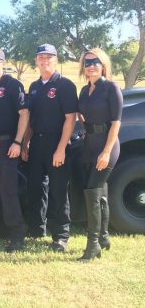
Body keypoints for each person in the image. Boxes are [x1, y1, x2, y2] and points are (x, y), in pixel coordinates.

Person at [22, 43, 78, 252]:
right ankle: (37, 229)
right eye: (41, 57)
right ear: (36, 61)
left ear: (56, 59)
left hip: (58, 143)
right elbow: (31, 119)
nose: (44, 61)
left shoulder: (65, 85)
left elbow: (70, 119)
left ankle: (61, 235)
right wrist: (26, 142)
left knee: (58, 191)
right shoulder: (34, 87)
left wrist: (61, 148)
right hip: (37, 143)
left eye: (49, 57)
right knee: (36, 188)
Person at [0, 47, 29, 253]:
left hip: (7, 145)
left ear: (3, 62)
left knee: (8, 192)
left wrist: (18, 142)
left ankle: (17, 235)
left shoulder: (13, 85)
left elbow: (24, 114)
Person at [77, 48, 122, 261]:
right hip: (90, 145)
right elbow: (82, 117)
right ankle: (103, 237)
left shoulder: (111, 88)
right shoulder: (85, 91)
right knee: (100, 191)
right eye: (87, 62)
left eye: (95, 61)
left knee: (92, 191)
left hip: (107, 146)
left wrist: (105, 151)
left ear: (103, 64)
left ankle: (93, 245)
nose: (91, 65)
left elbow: (116, 123)